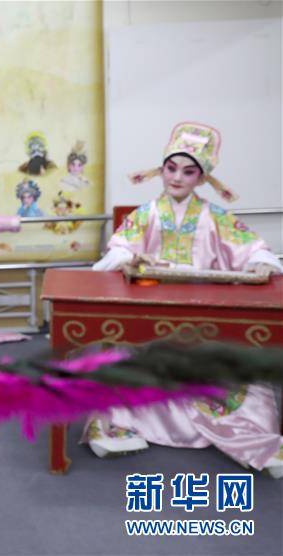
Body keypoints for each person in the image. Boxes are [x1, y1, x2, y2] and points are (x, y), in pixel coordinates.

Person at [87, 122, 283, 478]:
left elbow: (254, 248)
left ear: (201, 178)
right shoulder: (146, 214)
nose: (177, 178)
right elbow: (117, 249)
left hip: (204, 318)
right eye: (171, 168)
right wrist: (128, 257)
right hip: (150, 317)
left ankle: (248, 436)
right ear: (161, 170)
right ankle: (120, 425)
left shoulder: (216, 218)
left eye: (188, 171)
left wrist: (260, 262)